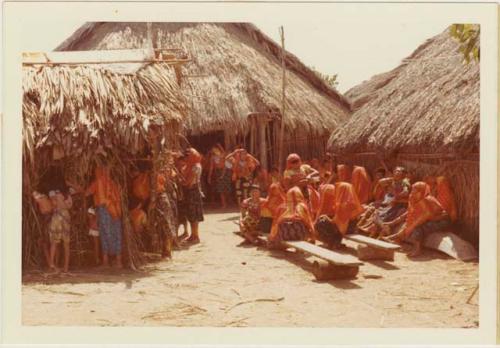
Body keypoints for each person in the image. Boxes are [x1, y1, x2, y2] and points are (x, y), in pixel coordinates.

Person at [386, 182, 451, 257]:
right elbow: (410, 212)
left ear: (421, 191)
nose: (413, 192)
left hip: (440, 220)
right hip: (430, 218)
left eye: (416, 190)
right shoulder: (414, 198)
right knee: (410, 223)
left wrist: (411, 226)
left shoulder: (426, 199)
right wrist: (394, 222)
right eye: (413, 189)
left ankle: (417, 249)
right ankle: (397, 239)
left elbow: (426, 215)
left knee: (418, 228)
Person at [86, 164, 123, 269]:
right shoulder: (113, 183)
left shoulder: (97, 183)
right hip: (115, 211)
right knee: (116, 234)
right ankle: (118, 262)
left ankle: (106, 262)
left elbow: (87, 193)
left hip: (104, 211)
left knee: (105, 234)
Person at [181, 148, 204, 244]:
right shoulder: (189, 166)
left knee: (194, 214)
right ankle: (193, 235)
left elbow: (188, 182)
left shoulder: (195, 166)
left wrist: (181, 182)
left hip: (192, 191)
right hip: (190, 191)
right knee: (191, 214)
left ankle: (196, 236)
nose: (187, 156)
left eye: (189, 155)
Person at [47, 188, 73, 273]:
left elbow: (53, 205)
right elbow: (69, 206)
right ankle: (66, 267)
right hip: (65, 217)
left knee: (54, 242)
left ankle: (51, 265)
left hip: (57, 217)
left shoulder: (53, 193)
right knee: (66, 243)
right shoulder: (67, 194)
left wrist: (57, 202)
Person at [208, 144, 232, 209]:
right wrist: (209, 176)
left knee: (226, 189)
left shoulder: (222, 156)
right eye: (213, 150)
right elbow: (211, 167)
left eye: (215, 149)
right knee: (220, 190)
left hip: (224, 172)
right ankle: (224, 204)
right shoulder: (212, 157)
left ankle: (228, 202)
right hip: (218, 173)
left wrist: (222, 175)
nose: (214, 151)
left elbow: (225, 166)